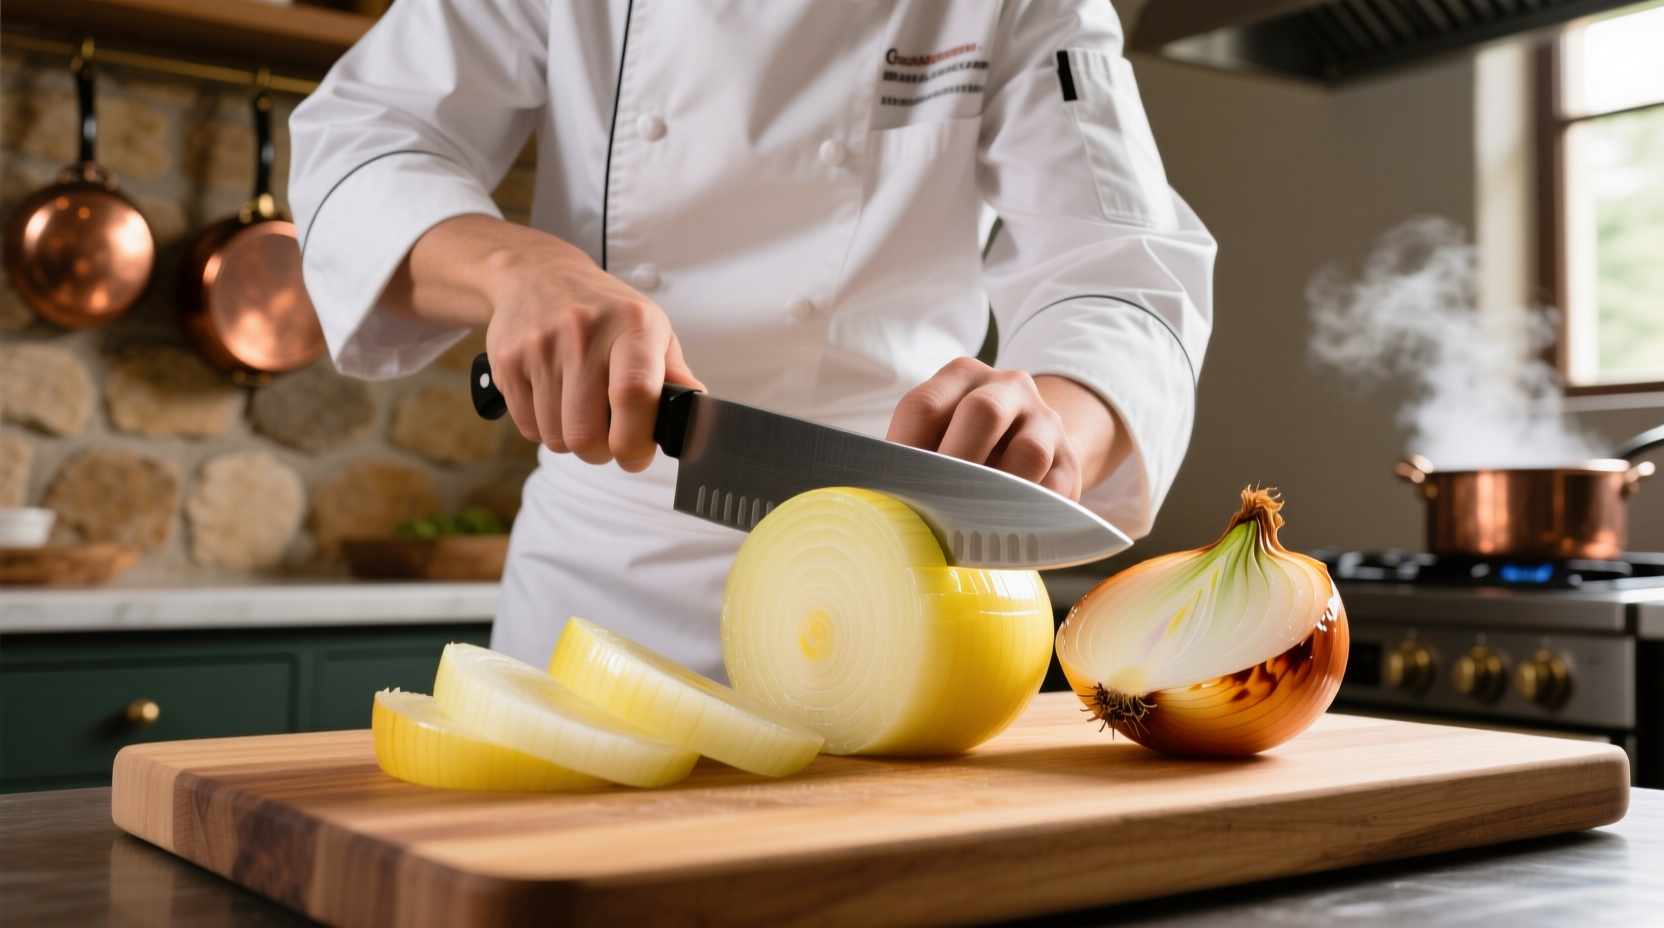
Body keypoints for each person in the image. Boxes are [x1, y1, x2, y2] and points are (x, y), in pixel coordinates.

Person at [289, 0, 1215, 680]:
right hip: (604, 588)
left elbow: (1121, 267)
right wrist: (517, 269)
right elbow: (362, 139)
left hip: (900, 578)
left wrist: (1049, 424)